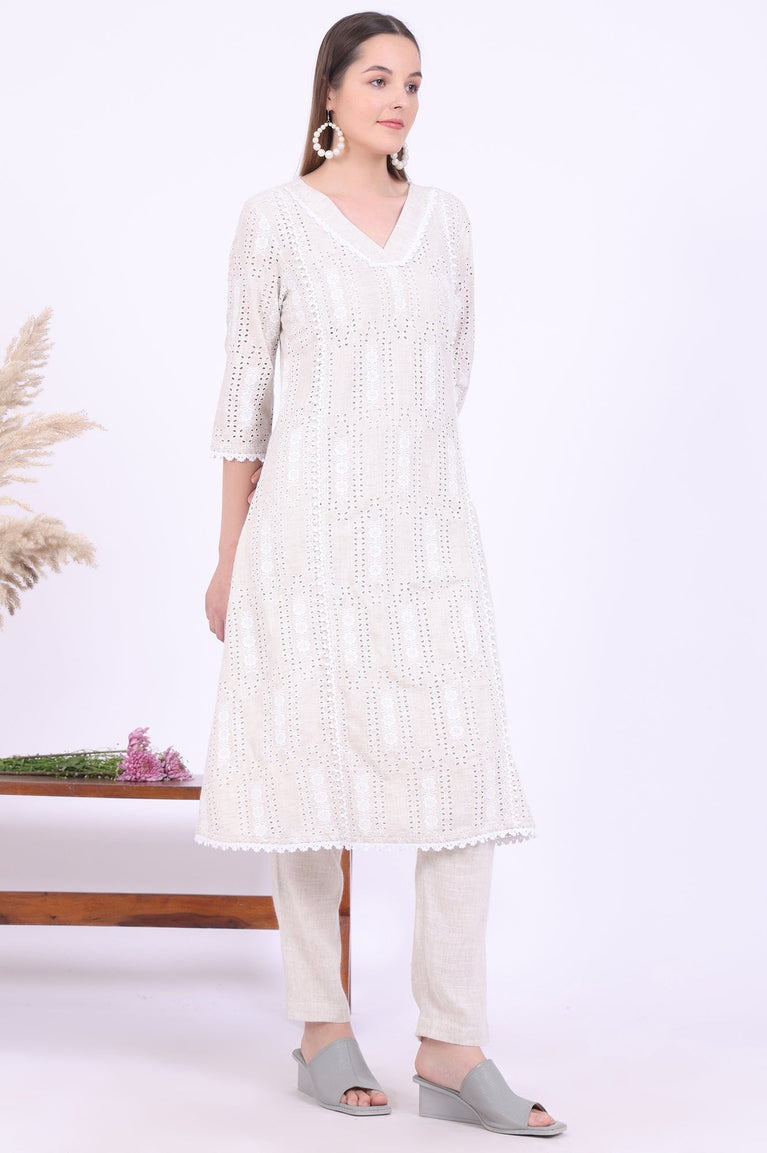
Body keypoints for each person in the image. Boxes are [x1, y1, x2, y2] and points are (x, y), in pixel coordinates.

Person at [198, 10, 566, 1137]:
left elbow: (449, 376)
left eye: (412, 82)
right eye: (375, 79)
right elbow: (244, 401)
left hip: (428, 540)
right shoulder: (273, 221)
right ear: (329, 93)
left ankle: (452, 1046)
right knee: (307, 779)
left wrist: (400, 486)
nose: (397, 98)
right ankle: (322, 1027)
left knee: (461, 778)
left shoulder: (446, 222)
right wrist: (228, 556)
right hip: (300, 541)